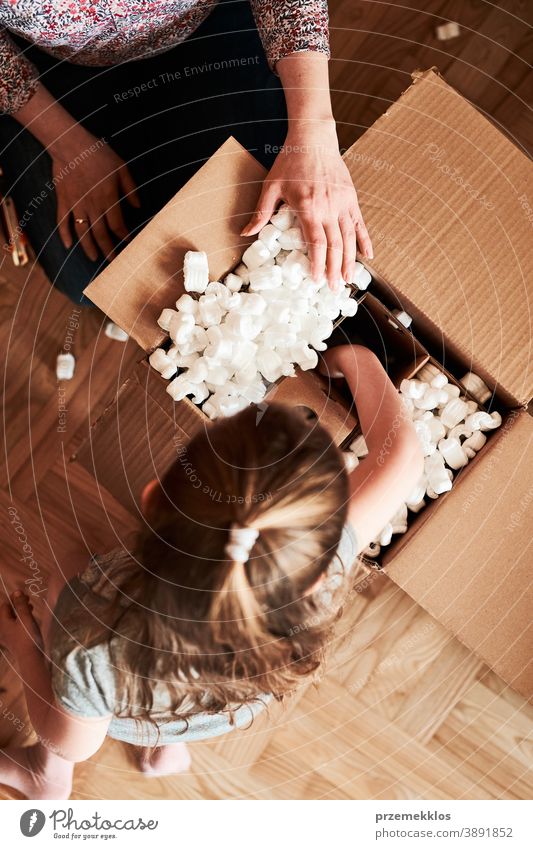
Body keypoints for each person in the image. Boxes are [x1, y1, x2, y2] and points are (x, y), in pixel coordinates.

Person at [0, 344, 422, 799]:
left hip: (131, 704)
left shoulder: (93, 646)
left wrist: (26, 642)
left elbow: (70, 741)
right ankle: (167, 750)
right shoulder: (315, 564)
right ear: (318, 575)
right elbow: (402, 457)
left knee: (61, 582)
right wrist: (356, 358)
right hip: (215, 709)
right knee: (175, 696)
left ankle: (47, 779)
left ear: (153, 498)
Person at [0, 0, 372, 304]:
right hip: (55, 72)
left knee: (277, 226)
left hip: (205, 30)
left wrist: (314, 133)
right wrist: (68, 146)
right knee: (94, 279)